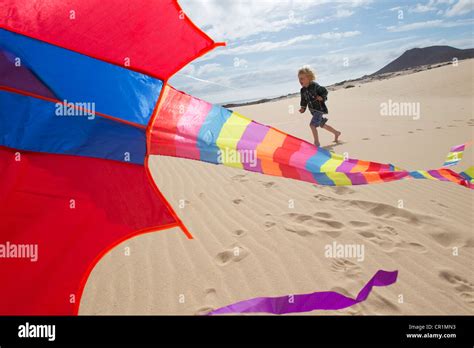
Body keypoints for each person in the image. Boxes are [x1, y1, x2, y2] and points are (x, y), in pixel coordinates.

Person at [298, 66, 341, 147]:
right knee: (322, 125)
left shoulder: (315, 86)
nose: (300, 81)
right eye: (299, 79)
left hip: (319, 109)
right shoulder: (302, 90)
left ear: (309, 78)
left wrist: (322, 97)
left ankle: (316, 143)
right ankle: (336, 133)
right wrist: (303, 108)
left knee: (312, 125)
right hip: (313, 111)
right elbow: (303, 100)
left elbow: (324, 91)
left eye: (302, 78)